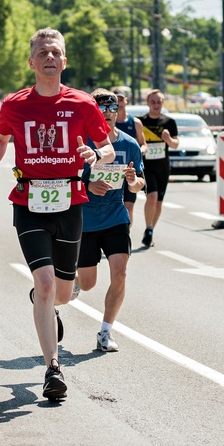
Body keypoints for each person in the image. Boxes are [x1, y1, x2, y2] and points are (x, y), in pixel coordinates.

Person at [0, 27, 114, 401]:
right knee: (46, 284)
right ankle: (53, 368)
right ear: (32, 62)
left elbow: (108, 150)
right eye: (43, 53)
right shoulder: (15, 104)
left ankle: (48, 305)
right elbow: (0, 138)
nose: (49, 58)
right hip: (29, 204)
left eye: (55, 52)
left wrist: (94, 155)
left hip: (70, 202)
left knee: (65, 294)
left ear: (64, 60)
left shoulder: (84, 104)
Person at [75, 89, 145, 352]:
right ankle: (70, 283)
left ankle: (105, 332)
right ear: (93, 111)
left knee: (120, 273)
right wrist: (89, 185)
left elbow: (140, 183)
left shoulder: (129, 145)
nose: (108, 114)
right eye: (103, 109)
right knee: (88, 282)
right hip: (85, 219)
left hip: (115, 217)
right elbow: (68, 181)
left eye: (112, 109)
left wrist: (132, 182)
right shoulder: (81, 143)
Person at [137, 89, 179, 247]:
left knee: (159, 202)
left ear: (163, 103)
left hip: (163, 167)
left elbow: (176, 144)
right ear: (148, 103)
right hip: (146, 166)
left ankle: (150, 231)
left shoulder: (169, 122)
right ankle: (148, 227)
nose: (156, 105)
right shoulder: (140, 122)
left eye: (159, 102)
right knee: (152, 196)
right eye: (153, 102)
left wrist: (168, 139)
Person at [113, 88, 147, 227]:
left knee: (128, 206)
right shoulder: (109, 121)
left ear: (126, 101)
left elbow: (143, 144)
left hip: (129, 170)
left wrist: (137, 152)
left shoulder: (135, 123)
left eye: (121, 99)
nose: (119, 103)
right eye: (116, 100)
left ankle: (125, 233)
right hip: (112, 170)